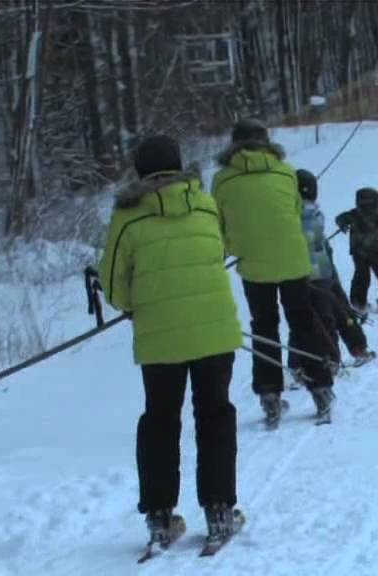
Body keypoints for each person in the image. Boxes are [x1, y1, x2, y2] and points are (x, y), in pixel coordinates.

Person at [98, 135, 243, 549]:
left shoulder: (128, 217)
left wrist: (136, 303)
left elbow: (113, 287)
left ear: (139, 171)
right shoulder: (204, 203)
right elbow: (216, 255)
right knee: (215, 415)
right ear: (179, 166)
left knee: (160, 421)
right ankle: (219, 510)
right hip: (215, 332)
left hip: (160, 339)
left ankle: (160, 516)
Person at [211, 118, 335, 427]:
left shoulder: (222, 180)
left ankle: (268, 394)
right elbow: (294, 211)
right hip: (293, 258)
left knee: (264, 326)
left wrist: (234, 246)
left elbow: (218, 222)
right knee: (302, 321)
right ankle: (320, 386)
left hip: (253, 263)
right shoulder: (285, 172)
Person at [288, 170, 375, 382]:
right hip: (315, 272)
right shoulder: (302, 212)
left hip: (318, 269)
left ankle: (348, 350)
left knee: (324, 313)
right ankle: (337, 354)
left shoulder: (300, 212)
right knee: (327, 313)